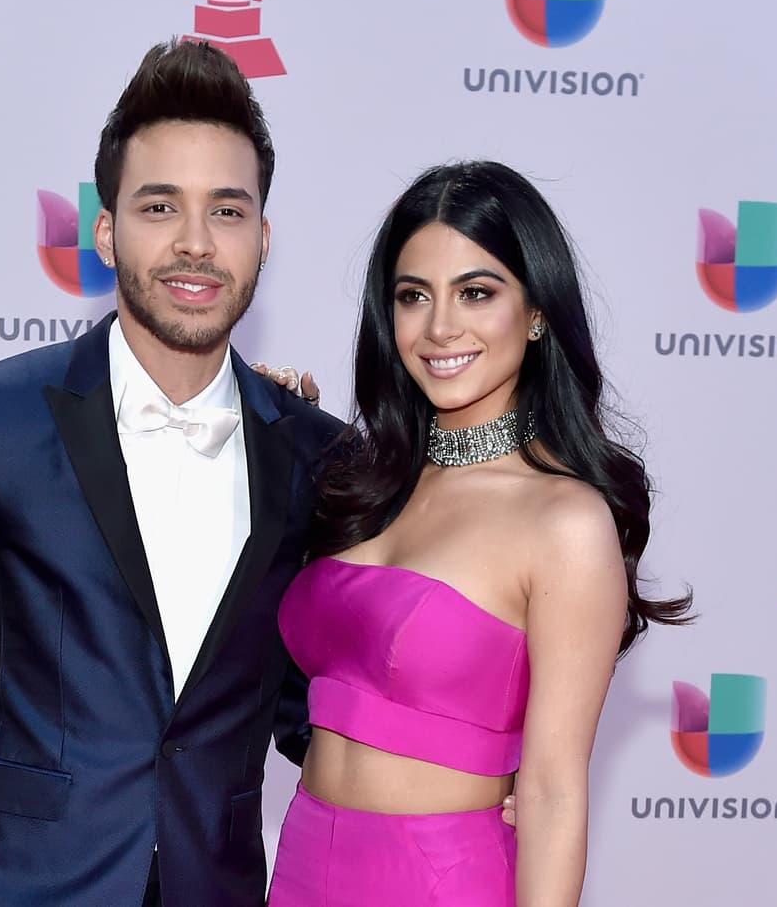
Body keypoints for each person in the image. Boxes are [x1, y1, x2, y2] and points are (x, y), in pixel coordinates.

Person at [0, 39, 346, 907]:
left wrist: (476, 777)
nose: (194, 243)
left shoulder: (314, 454)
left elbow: (308, 712)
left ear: (262, 239)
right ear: (106, 231)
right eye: (159, 207)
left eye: (226, 212)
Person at [268, 161, 693, 906]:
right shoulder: (360, 484)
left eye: (476, 292)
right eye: (413, 296)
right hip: (304, 865)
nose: (440, 328)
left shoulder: (564, 521)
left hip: (440, 878)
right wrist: (261, 432)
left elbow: (556, 791)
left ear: (535, 313)